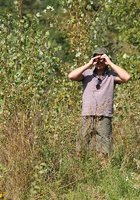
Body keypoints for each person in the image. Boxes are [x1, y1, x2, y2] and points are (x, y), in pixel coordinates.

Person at [68, 47, 131, 159]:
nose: (99, 62)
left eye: (102, 59)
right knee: (81, 148)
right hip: (87, 115)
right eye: (97, 58)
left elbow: (127, 77)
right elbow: (71, 76)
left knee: (104, 151)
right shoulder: (86, 74)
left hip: (104, 115)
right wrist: (89, 64)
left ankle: (103, 172)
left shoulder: (112, 75)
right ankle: (81, 169)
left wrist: (110, 63)